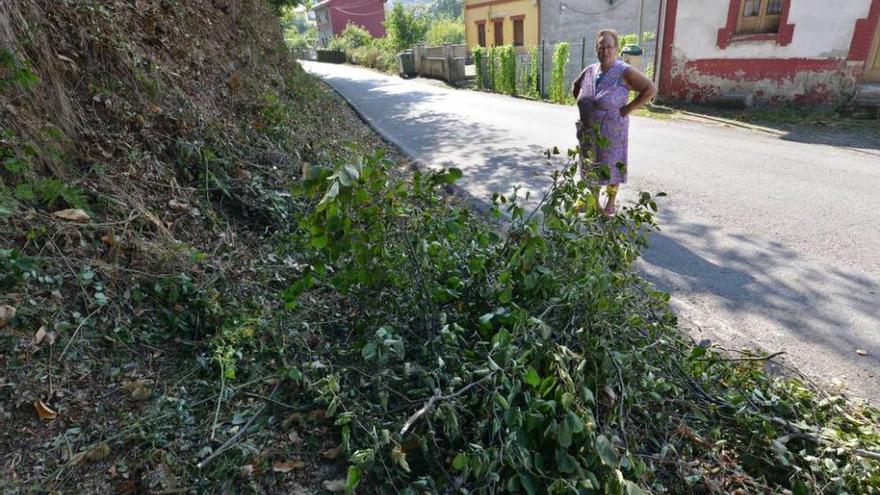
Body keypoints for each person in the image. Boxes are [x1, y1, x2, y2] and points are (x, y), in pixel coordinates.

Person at [572, 29, 657, 216]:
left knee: (611, 165)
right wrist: (585, 107)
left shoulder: (623, 71)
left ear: (616, 49)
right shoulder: (589, 71)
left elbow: (650, 89)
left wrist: (627, 109)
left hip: (612, 130)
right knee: (590, 164)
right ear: (596, 48)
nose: (605, 50)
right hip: (588, 130)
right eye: (601, 46)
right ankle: (593, 201)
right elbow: (576, 87)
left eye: (609, 46)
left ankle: (610, 204)